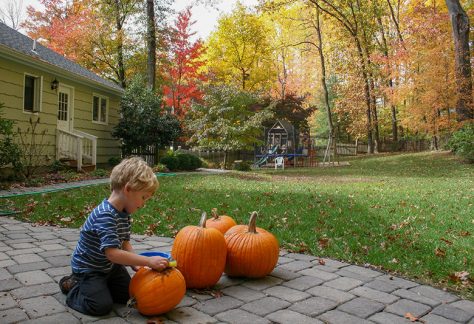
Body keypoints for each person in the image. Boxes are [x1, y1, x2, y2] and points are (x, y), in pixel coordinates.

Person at [59, 157, 169, 316]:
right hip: (89, 269)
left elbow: (124, 242)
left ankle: (100, 287)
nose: (143, 204)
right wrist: (148, 261)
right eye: (143, 197)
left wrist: (135, 264)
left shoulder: (123, 213)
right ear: (128, 189)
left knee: (130, 294)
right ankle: (72, 286)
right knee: (100, 306)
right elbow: (112, 253)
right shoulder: (105, 215)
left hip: (110, 267)